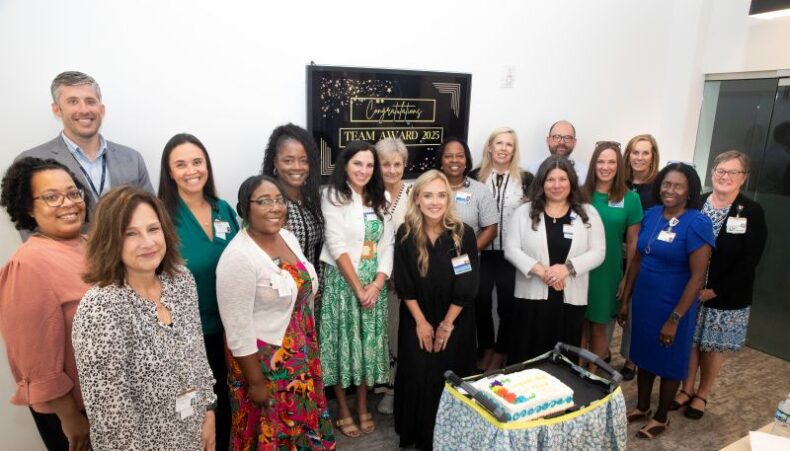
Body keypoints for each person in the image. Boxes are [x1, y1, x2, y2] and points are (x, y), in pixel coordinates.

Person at [72, 187, 216, 450]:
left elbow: (198, 355)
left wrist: (209, 412)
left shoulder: (180, 280)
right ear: (109, 239)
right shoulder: (100, 308)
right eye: (131, 233)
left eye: (153, 229)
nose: (148, 242)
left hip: (194, 431)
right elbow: (111, 421)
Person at [216, 175, 336, 450]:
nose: (274, 207)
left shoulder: (287, 237)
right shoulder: (238, 257)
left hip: (300, 350)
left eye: (279, 200)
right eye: (263, 201)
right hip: (265, 363)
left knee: (300, 425)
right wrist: (256, 383)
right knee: (274, 433)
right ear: (245, 208)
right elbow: (237, 329)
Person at [618, 162, 714, 440]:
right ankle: (643, 407)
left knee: (670, 360)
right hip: (645, 301)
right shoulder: (652, 214)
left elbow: (697, 278)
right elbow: (637, 260)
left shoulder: (697, 223)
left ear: (689, 191)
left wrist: (674, 319)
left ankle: (661, 417)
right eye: (667, 184)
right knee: (644, 353)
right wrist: (625, 300)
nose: (670, 190)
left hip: (674, 304)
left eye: (678, 186)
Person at [0, 158, 91, 451]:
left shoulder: (91, 245)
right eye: (52, 197)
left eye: (73, 193)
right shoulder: (27, 265)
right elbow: (33, 359)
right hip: (74, 413)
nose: (68, 203)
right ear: (28, 207)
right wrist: (71, 417)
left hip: (108, 400)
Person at [158, 133, 239, 450]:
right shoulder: (161, 217)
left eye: (197, 162)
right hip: (189, 335)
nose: (191, 170)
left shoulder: (223, 209)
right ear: (169, 172)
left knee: (229, 404)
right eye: (181, 164)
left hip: (230, 328)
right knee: (198, 413)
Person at [673, 151, 767, 420]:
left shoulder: (751, 211)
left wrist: (715, 290)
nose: (725, 176)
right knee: (690, 341)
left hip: (726, 293)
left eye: (733, 172)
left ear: (744, 178)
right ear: (712, 172)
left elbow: (750, 259)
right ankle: (686, 388)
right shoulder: (697, 203)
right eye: (721, 170)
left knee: (712, 347)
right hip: (691, 289)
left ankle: (702, 394)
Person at [393, 169, 479, 450]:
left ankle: (452, 435)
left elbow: (467, 283)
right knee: (417, 373)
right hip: (416, 315)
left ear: (449, 199)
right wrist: (421, 323)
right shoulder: (405, 234)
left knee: (449, 372)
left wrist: (446, 325)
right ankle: (417, 433)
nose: (435, 202)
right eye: (428, 195)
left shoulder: (463, 234)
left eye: (441, 195)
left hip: (455, 317)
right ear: (417, 199)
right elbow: (404, 283)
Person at [15, 71, 153, 236]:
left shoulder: (132, 159)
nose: (84, 109)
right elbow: (29, 230)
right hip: (64, 253)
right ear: (57, 109)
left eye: (90, 101)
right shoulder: (32, 163)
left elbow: (151, 215)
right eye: (73, 102)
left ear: (101, 109)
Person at [317, 141, 393, 437]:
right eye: (357, 163)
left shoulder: (382, 196)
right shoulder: (332, 196)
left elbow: (387, 244)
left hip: (374, 286)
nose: (364, 170)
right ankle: (343, 408)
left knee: (366, 347)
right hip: (343, 284)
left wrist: (377, 284)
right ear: (345, 165)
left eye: (370, 165)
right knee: (343, 345)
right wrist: (358, 288)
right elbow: (336, 244)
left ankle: (362, 404)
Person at [504, 155, 605, 363]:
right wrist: (543, 271)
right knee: (526, 355)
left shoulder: (588, 213)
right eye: (550, 179)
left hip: (569, 299)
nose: (557, 185)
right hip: (531, 299)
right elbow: (511, 249)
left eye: (562, 179)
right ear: (542, 182)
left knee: (563, 361)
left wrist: (565, 269)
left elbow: (598, 252)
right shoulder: (524, 212)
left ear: (571, 182)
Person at [469, 127, 533, 369]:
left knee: (508, 305)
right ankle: (486, 347)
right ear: (490, 147)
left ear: (514, 150)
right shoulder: (474, 177)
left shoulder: (525, 179)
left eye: (509, 144)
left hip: (511, 253)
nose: (504, 148)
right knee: (480, 301)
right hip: (481, 251)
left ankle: (501, 351)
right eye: (499, 143)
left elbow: (533, 215)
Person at [581, 142, 643, 369]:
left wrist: (627, 278)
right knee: (579, 325)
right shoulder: (579, 194)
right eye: (600, 161)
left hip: (608, 272)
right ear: (593, 164)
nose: (605, 167)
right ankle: (576, 370)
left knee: (599, 327)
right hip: (579, 269)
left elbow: (633, 242)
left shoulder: (631, 199)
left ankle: (592, 374)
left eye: (611, 162)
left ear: (619, 166)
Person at [374, 137, 412, 414]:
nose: (391, 170)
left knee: (397, 334)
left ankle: (393, 390)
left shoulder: (414, 194)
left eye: (397, 164)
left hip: (401, 279)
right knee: (379, 335)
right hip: (373, 278)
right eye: (385, 164)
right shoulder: (367, 193)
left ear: (404, 165)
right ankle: (379, 386)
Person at [619, 134, 661, 379]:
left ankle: (630, 359)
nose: (639, 157)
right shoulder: (620, 182)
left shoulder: (659, 186)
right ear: (628, 155)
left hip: (643, 255)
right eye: (635, 152)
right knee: (615, 303)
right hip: (616, 252)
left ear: (653, 157)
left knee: (635, 308)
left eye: (645, 153)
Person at [261, 123, 325, 270]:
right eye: (288, 160)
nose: (297, 167)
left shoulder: (313, 201)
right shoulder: (265, 203)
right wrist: (301, 282)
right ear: (275, 162)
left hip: (315, 283)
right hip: (281, 282)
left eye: (304, 161)